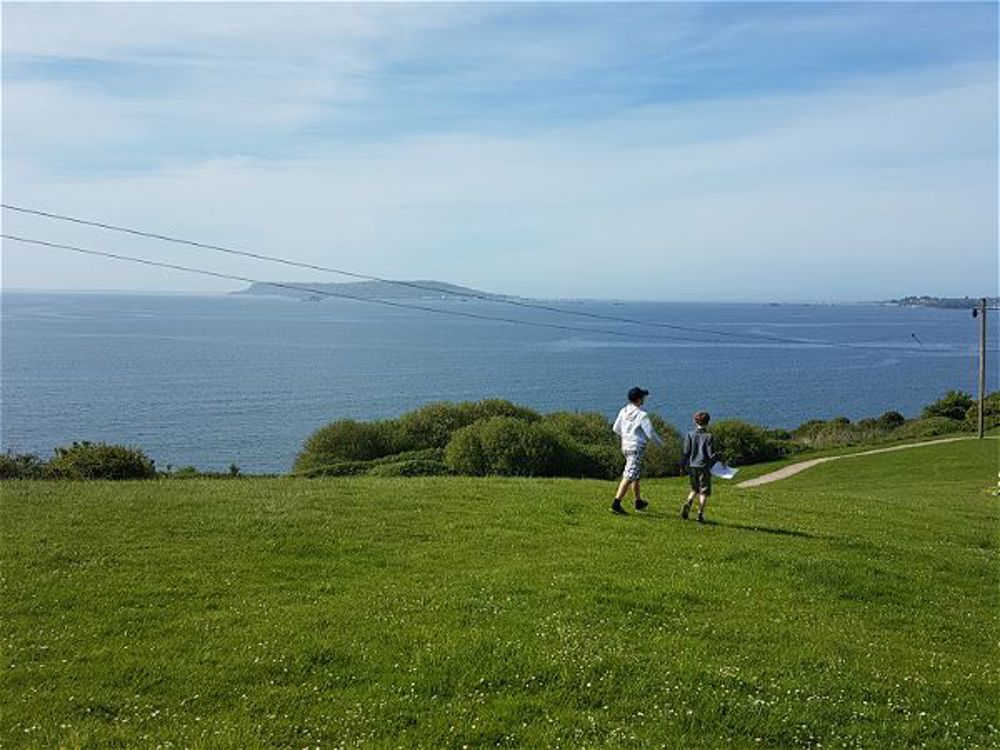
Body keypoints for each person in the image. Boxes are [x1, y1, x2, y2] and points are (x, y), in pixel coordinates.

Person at [610, 386, 662, 514]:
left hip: (626, 446)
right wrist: (661, 444)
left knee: (635, 474)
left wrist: (627, 436)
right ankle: (616, 503)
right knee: (629, 475)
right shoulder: (642, 415)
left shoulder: (624, 411)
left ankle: (638, 501)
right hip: (636, 448)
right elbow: (650, 433)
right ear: (639, 399)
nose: (644, 398)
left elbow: (616, 428)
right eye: (643, 396)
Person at [680, 410, 720, 523]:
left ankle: (688, 502)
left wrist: (682, 466)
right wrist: (718, 460)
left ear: (695, 421)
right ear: (708, 422)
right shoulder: (709, 436)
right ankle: (700, 514)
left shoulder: (689, 435)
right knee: (703, 492)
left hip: (692, 466)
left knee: (694, 489)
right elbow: (711, 454)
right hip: (703, 467)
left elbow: (686, 452)